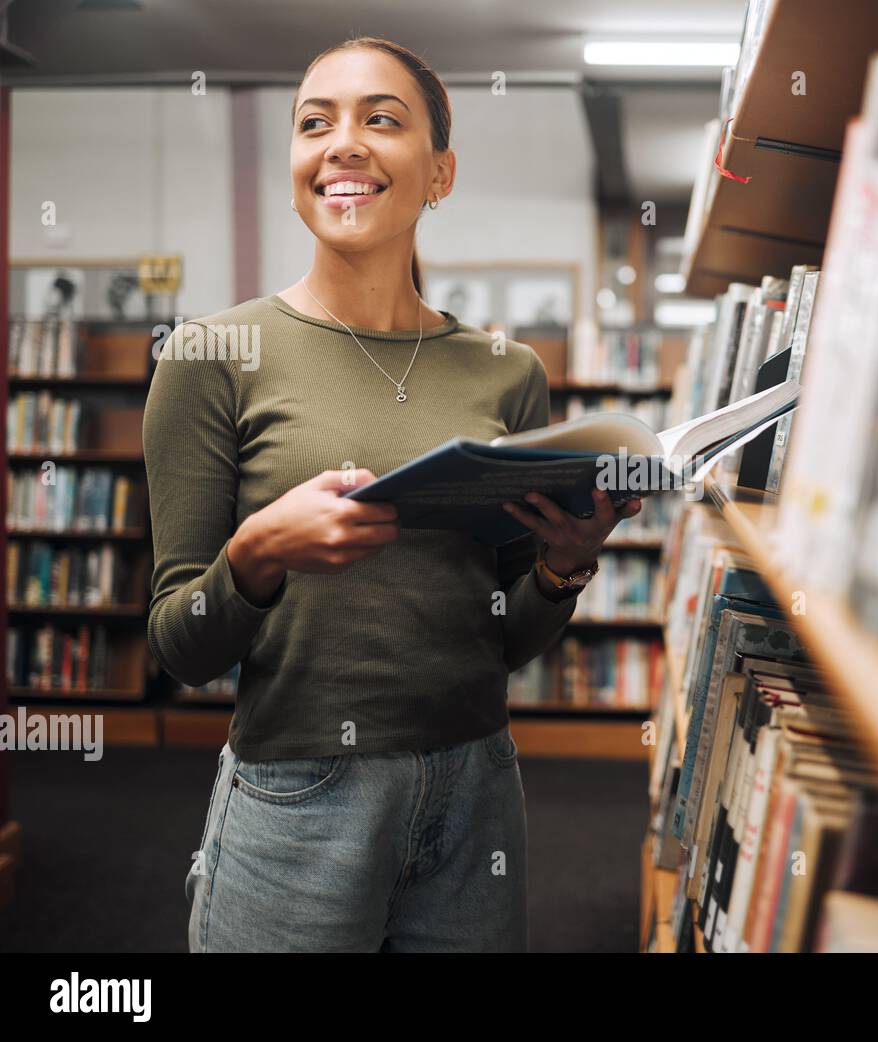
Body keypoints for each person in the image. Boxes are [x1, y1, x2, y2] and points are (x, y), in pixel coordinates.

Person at [143, 35, 640, 952]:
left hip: (478, 790)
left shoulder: (509, 371)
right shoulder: (208, 356)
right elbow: (181, 647)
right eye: (314, 124)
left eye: (381, 119)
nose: (343, 143)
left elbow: (502, 641)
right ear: (297, 169)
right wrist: (258, 553)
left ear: (439, 172)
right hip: (298, 798)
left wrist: (563, 569)